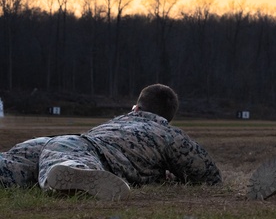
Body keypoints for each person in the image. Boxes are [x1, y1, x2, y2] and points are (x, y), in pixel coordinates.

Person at [0, 84, 222, 200]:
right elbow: (208, 174)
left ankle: (73, 173)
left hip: (82, 148)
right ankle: (69, 175)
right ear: (168, 117)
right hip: (73, 147)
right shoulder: (170, 134)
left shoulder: (121, 120)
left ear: (136, 108)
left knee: (22, 159)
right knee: (32, 163)